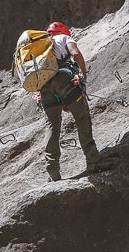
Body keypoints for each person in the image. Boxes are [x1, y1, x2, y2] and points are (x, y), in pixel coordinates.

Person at [34, 22, 114, 181]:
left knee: (52, 125)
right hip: (64, 80)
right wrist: (83, 75)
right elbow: (75, 54)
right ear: (63, 31)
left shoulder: (39, 48)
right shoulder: (63, 38)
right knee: (81, 117)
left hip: (44, 87)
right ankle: (93, 161)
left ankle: (52, 170)